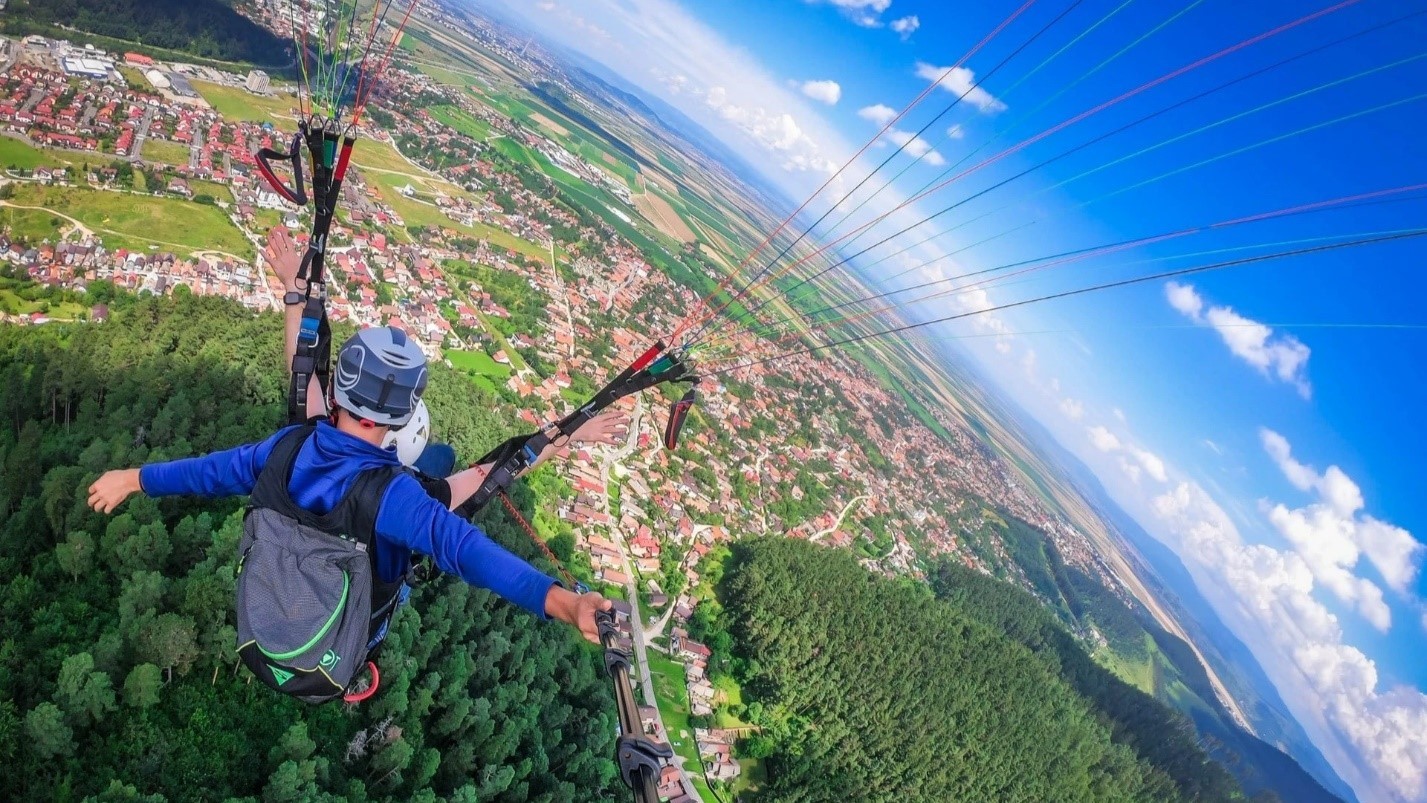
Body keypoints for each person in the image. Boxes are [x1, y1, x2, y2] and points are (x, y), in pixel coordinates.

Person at [86, 327, 612, 647]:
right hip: (347, 630)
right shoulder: (401, 498)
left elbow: (207, 471)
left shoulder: (285, 447)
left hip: (271, 606)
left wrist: (132, 478)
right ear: (404, 417)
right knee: (446, 477)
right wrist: (565, 603)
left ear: (338, 389)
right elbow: (470, 538)